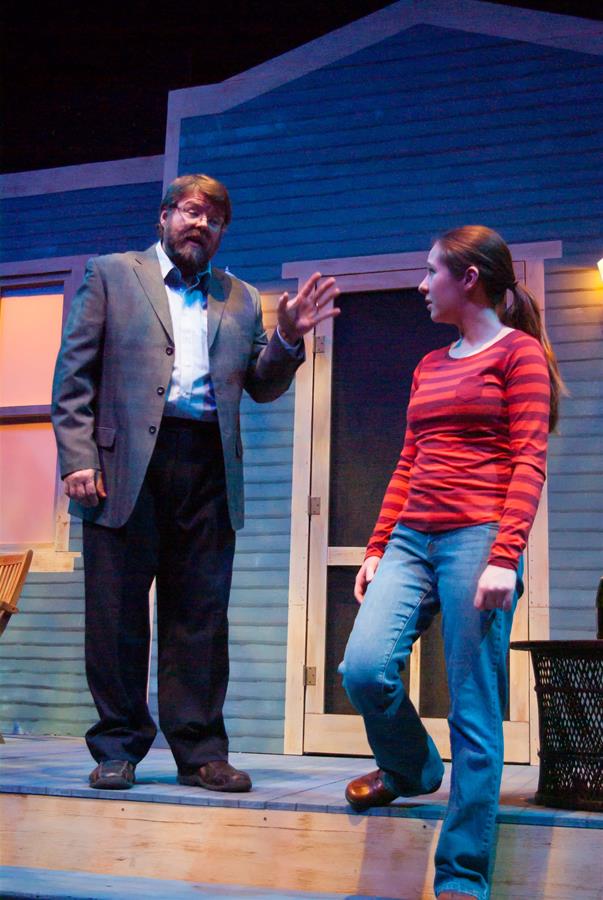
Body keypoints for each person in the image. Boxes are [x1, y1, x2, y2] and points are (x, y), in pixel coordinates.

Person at [52, 173, 340, 793]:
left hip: (207, 464)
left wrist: (289, 336)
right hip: (122, 466)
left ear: (222, 231)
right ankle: (118, 746)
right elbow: (74, 376)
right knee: (117, 612)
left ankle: (201, 750)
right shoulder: (113, 275)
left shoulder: (241, 297)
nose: (200, 223)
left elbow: (262, 384)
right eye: (189, 211)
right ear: (163, 218)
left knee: (200, 617)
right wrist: (78, 458)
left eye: (213, 217)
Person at [339, 225, 563, 900]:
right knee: (363, 667)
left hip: (478, 537)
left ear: (468, 278)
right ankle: (409, 767)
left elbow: (528, 458)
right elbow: (408, 461)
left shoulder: (517, 356)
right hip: (412, 537)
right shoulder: (430, 365)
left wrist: (505, 554)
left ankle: (461, 874)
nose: (420, 283)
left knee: (473, 707)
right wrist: (378, 544)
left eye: (430, 270)